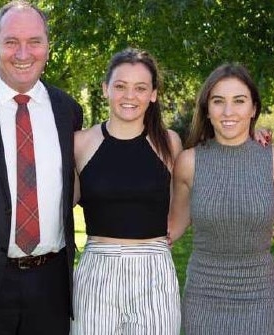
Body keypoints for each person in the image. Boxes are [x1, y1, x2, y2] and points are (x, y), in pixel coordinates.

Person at [0, 1, 83, 334]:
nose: (23, 52)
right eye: (11, 42)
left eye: (34, 41)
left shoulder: (68, 110)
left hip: (51, 285)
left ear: (47, 47)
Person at [168, 63, 274, 334]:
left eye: (239, 101)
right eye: (218, 101)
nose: (228, 112)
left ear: (253, 109)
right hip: (203, 296)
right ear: (207, 109)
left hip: (260, 297)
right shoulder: (189, 162)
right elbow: (172, 229)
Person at [71, 48, 182, 334]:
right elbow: (56, 204)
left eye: (140, 88)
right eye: (120, 86)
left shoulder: (169, 143)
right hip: (98, 270)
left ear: (153, 94)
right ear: (106, 89)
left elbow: (188, 195)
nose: (129, 96)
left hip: (154, 271)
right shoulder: (80, 143)